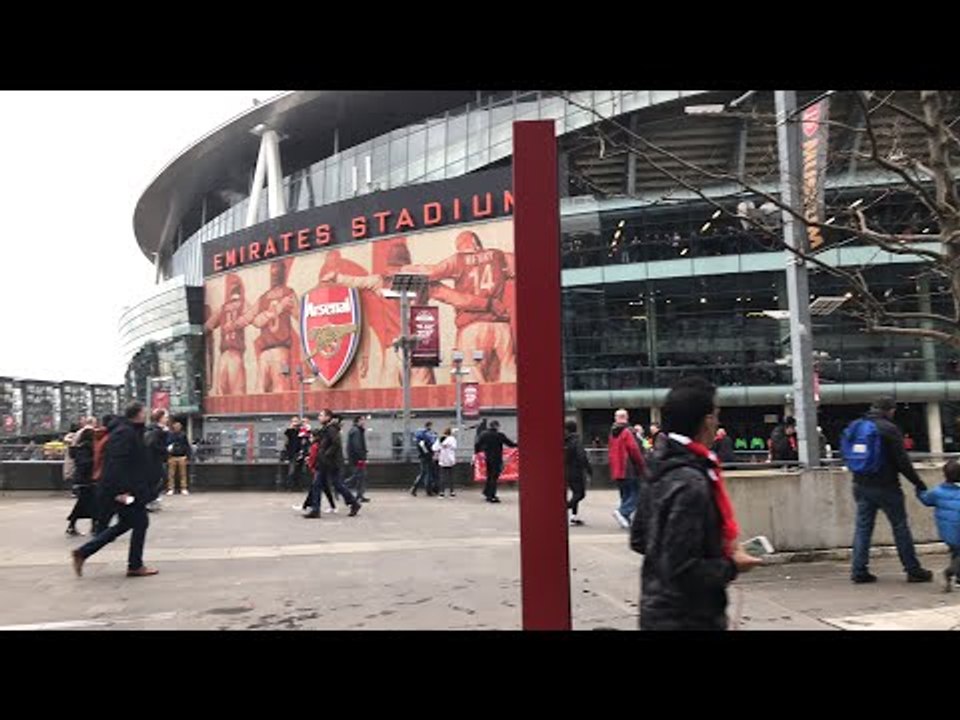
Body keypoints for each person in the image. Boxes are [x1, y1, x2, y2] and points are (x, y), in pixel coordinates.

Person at [630, 377, 762, 630]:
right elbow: (683, 568)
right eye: (717, 415)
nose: (718, 422)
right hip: (689, 618)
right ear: (707, 421)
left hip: (655, 611)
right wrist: (731, 565)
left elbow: (639, 539)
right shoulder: (692, 481)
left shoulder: (659, 466)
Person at [842, 397, 932, 584]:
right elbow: (902, 462)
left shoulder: (857, 425)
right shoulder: (889, 429)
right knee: (900, 527)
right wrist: (918, 483)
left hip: (860, 484)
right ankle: (912, 570)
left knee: (863, 529)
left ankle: (859, 570)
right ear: (890, 410)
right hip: (887, 487)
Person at [71, 402, 158, 578]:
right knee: (140, 522)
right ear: (138, 414)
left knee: (127, 523)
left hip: (127, 488)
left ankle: (84, 552)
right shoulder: (124, 433)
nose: (146, 415)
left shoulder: (128, 431)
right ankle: (134, 565)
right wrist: (122, 491)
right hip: (124, 490)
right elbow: (116, 464)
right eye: (144, 412)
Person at [305, 414, 361, 518]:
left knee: (334, 484)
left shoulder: (331, 429)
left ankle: (353, 503)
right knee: (320, 484)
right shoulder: (326, 429)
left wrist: (326, 454)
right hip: (325, 462)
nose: (319, 417)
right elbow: (322, 441)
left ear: (327, 417)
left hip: (329, 462)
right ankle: (316, 509)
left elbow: (336, 443)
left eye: (321, 415)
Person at [916, 460, 960, 592]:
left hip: (946, 532)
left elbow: (925, 499)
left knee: (956, 552)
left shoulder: (937, 492)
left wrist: (919, 489)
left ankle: (958, 578)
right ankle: (949, 572)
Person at [608, 409, 646, 529]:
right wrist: (642, 465)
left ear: (616, 418)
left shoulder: (612, 433)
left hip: (617, 469)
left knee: (625, 494)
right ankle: (622, 512)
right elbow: (634, 450)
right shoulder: (628, 431)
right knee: (637, 493)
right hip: (628, 468)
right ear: (626, 417)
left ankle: (625, 518)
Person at [66, 419, 97, 536]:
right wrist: (95, 461)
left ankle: (92, 525)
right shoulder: (85, 449)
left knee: (89, 503)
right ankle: (91, 526)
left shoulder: (81, 448)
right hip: (86, 480)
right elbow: (83, 464)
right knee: (86, 503)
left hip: (84, 480)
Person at [474, 420, 516, 503]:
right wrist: (518, 444)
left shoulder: (484, 434)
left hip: (488, 458)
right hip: (496, 458)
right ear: (496, 426)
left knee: (489, 476)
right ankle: (491, 496)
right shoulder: (500, 435)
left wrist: (477, 452)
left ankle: (487, 492)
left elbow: (477, 444)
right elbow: (510, 444)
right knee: (494, 477)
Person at [564, 420, 592, 526]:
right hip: (576, 471)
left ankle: (573, 517)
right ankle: (566, 507)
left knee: (575, 493)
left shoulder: (565, 441)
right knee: (580, 494)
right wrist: (588, 469)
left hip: (567, 470)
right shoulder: (576, 441)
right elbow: (582, 457)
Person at [143, 408, 170, 510]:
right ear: (160, 418)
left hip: (155, 459)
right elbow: (155, 445)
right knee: (159, 479)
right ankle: (150, 500)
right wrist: (166, 449)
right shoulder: (156, 430)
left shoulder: (155, 429)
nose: (167, 419)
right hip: (153, 460)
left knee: (158, 480)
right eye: (165, 417)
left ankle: (152, 499)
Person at [411, 421, 439, 497]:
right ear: (429, 426)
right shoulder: (426, 436)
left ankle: (415, 489)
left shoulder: (420, 437)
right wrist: (430, 454)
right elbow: (426, 449)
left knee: (424, 473)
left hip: (423, 457)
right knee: (427, 474)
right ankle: (426, 490)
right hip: (427, 457)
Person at [346, 416, 370, 503]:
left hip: (356, 458)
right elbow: (357, 446)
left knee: (361, 476)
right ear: (358, 421)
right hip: (357, 459)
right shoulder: (356, 431)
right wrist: (361, 457)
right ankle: (342, 486)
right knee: (357, 476)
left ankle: (360, 495)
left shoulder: (358, 430)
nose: (364, 422)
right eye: (363, 420)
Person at [166, 420, 191, 495]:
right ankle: (171, 488)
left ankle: (183, 488)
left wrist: (187, 455)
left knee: (182, 474)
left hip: (181, 456)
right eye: (176, 426)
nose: (177, 427)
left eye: (178, 426)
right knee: (171, 474)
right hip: (172, 456)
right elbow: (167, 444)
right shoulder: (170, 435)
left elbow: (187, 446)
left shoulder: (183, 435)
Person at [283, 416, 305, 491]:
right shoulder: (289, 431)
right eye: (293, 421)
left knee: (300, 471)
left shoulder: (301, 431)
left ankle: (299, 486)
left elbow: (304, 440)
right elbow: (286, 441)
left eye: (296, 421)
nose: (295, 423)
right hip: (292, 453)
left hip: (300, 452)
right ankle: (289, 486)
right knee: (291, 470)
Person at [437, 427, 458, 499]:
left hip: (443, 459)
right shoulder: (452, 439)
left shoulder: (441, 439)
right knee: (451, 476)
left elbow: (435, 448)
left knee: (442, 476)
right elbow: (454, 447)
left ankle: (442, 492)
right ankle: (452, 492)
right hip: (450, 459)